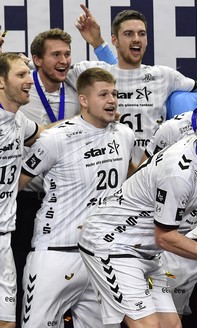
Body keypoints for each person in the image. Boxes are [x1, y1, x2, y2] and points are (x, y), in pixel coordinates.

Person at [77, 102, 197, 327]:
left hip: (145, 251)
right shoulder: (179, 173)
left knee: (172, 325)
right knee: (149, 326)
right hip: (112, 245)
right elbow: (166, 237)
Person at [18, 67, 134, 327]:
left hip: (101, 256)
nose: (112, 100)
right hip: (56, 253)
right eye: (103, 94)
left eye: (114, 94)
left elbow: (130, 184)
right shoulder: (55, 139)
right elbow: (15, 185)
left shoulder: (124, 135)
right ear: (83, 100)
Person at [12, 29, 83, 324]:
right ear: (37, 60)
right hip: (27, 200)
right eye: (56, 55)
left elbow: (122, 69)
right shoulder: (21, 92)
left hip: (68, 204)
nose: (64, 60)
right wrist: (74, 124)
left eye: (67, 54)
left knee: (69, 281)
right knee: (19, 278)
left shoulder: (79, 86)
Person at [72, 6, 197, 165]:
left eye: (142, 34)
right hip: (108, 169)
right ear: (114, 40)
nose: (137, 38)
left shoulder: (165, 75)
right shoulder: (94, 72)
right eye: (128, 34)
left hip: (151, 172)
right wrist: (97, 42)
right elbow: (46, 70)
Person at [0, 53, 43, 328]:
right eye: (21, 74)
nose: (30, 80)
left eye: (28, 73)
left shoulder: (19, 121)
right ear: (1, 82)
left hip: (4, 237)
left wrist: (85, 125)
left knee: (7, 322)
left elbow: (43, 133)